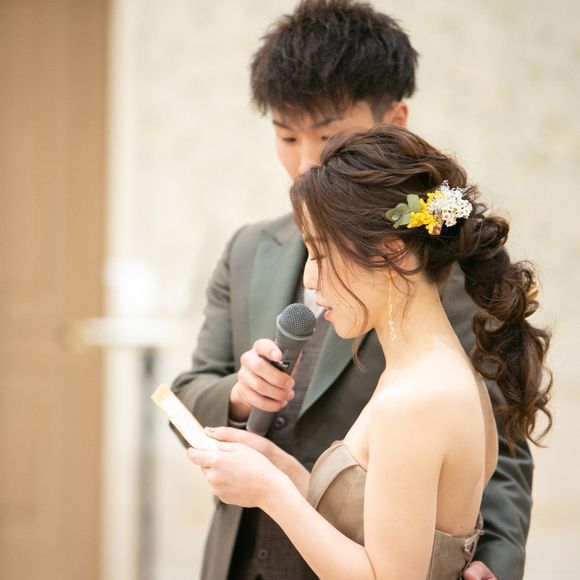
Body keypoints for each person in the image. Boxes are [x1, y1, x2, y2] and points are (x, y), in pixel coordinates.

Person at [172, 1, 534, 578]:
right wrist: (240, 399)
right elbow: (193, 386)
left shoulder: (443, 268)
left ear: (394, 120)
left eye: (329, 135)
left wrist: (486, 560)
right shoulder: (246, 250)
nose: (305, 162)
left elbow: (498, 446)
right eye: (286, 136)